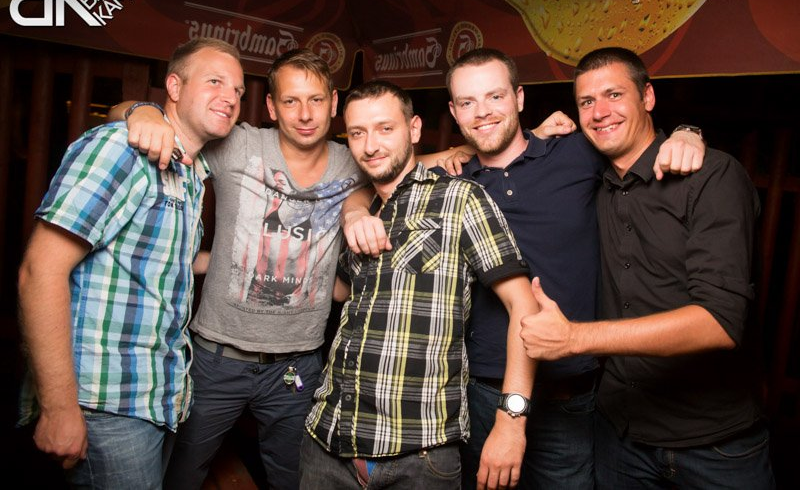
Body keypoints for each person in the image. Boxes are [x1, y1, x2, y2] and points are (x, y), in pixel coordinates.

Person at [113, 50, 572, 489]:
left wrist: (522, 135)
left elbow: (418, 163)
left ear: (334, 105)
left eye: (316, 100)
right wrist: (142, 112)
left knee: (286, 477)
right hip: (257, 381)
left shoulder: (416, 184)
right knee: (178, 473)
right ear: (272, 107)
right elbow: (156, 123)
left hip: (327, 386)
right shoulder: (250, 148)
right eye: (291, 101)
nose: (305, 114)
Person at [344, 48, 705, 490]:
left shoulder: (577, 152)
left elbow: (634, 139)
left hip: (567, 394)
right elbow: (381, 171)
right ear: (454, 112)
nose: (482, 112)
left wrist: (687, 132)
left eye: (494, 97)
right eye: (468, 102)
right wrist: (354, 210)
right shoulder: (453, 181)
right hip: (480, 392)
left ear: (518, 97)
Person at [520, 46, 775, 488]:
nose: (600, 112)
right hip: (621, 437)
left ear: (648, 97)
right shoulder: (588, 181)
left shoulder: (710, 176)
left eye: (614, 95)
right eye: (586, 101)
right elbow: (493, 156)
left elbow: (720, 322)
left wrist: (575, 338)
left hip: (715, 444)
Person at [16, 37, 244, 488]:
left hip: (154, 398)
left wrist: (242, 265)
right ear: (174, 86)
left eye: (237, 90)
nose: (231, 97)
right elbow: (39, 271)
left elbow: (157, 263)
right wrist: (59, 408)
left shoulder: (189, 171)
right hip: (103, 402)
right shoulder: (121, 148)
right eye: (215, 82)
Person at [301, 80, 540, 489]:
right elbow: (341, 294)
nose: (370, 145)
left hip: (419, 453)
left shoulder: (460, 199)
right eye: (357, 133)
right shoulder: (362, 209)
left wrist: (511, 422)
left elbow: (524, 306)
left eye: (385, 128)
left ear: (414, 129)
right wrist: (348, 214)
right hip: (328, 440)